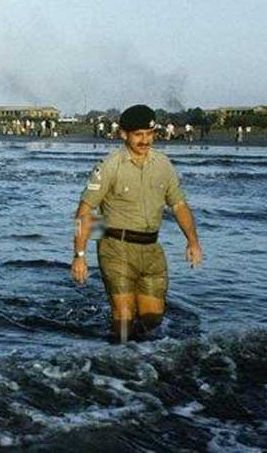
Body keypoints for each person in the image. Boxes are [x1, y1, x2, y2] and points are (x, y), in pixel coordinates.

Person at [70, 104, 203, 343]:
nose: (145, 140)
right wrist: (80, 255)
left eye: (149, 134)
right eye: (138, 134)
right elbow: (87, 211)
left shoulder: (163, 164)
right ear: (124, 134)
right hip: (115, 247)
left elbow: (179, 205)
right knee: (123, 319)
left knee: (152, 320)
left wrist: (192, 242)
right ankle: (116, 359)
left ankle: (141, 357)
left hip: (152, 249)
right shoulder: (109, 166)